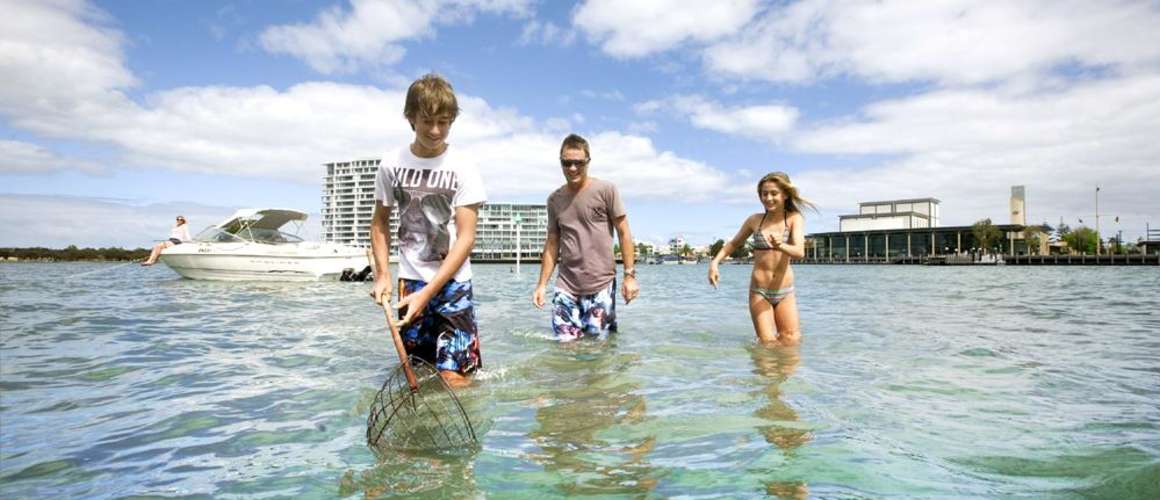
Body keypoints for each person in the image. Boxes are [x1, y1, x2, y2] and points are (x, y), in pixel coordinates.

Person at [369, 74, 486, 388]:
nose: (435, 131)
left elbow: (466, 238)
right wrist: (382, 274)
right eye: (427, 121)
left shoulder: (463, 166)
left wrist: (429, 293)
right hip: (410, 280)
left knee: (455, 377)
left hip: (453, 284)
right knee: (420, 372)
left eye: (444, 122)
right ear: (410, 117)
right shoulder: (390, 164)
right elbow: (379, 223)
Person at [532, 134, 639, 341]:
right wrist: (542, 284)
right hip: (566, 287)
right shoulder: (554, 200)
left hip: (601, 286)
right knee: (565, 349)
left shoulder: (606, 190)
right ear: (561, 162)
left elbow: (624, 232)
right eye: (567, 163)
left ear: (588, 162)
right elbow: (552, 243)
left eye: (578, 163)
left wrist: (629, 276)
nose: (572, 168)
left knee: (599, 352)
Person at [708, 172, 813, 346]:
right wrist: (714, 263)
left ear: (785, 194)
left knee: (791, 340)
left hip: (785, 291)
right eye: (764, 194)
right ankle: (765, 372)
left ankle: (786, 373)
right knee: (768, 344)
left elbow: (799, 252)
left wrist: (781, 246)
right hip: (759, 292)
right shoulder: (754, 220)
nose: (768, 198)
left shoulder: (794, 219)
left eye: (774, 193)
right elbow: (733, 244)